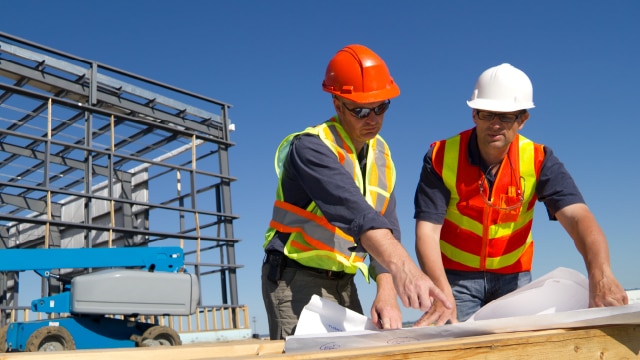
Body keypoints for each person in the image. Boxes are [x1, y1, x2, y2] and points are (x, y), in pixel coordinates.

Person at [413, 63, 628, 326]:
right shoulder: (440, 156)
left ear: (522, 120)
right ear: (474, 114)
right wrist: (440, 289)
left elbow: (578, 218)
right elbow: (427, 231)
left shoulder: (539, 159)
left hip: (514, 278)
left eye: (505, 116)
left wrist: (601, 274)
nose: (495, 124)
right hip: (454, 279)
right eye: (486, 114)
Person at [262, 44, 451, 340]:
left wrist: (386, 289)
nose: (372, 118)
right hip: (295, 277)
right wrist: (405, 268)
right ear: (338, 104)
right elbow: (358, 215)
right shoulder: (311, 148)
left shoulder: (381, 154)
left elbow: (386, 224)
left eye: (380, 107)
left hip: (344, 282)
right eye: (361, 110)